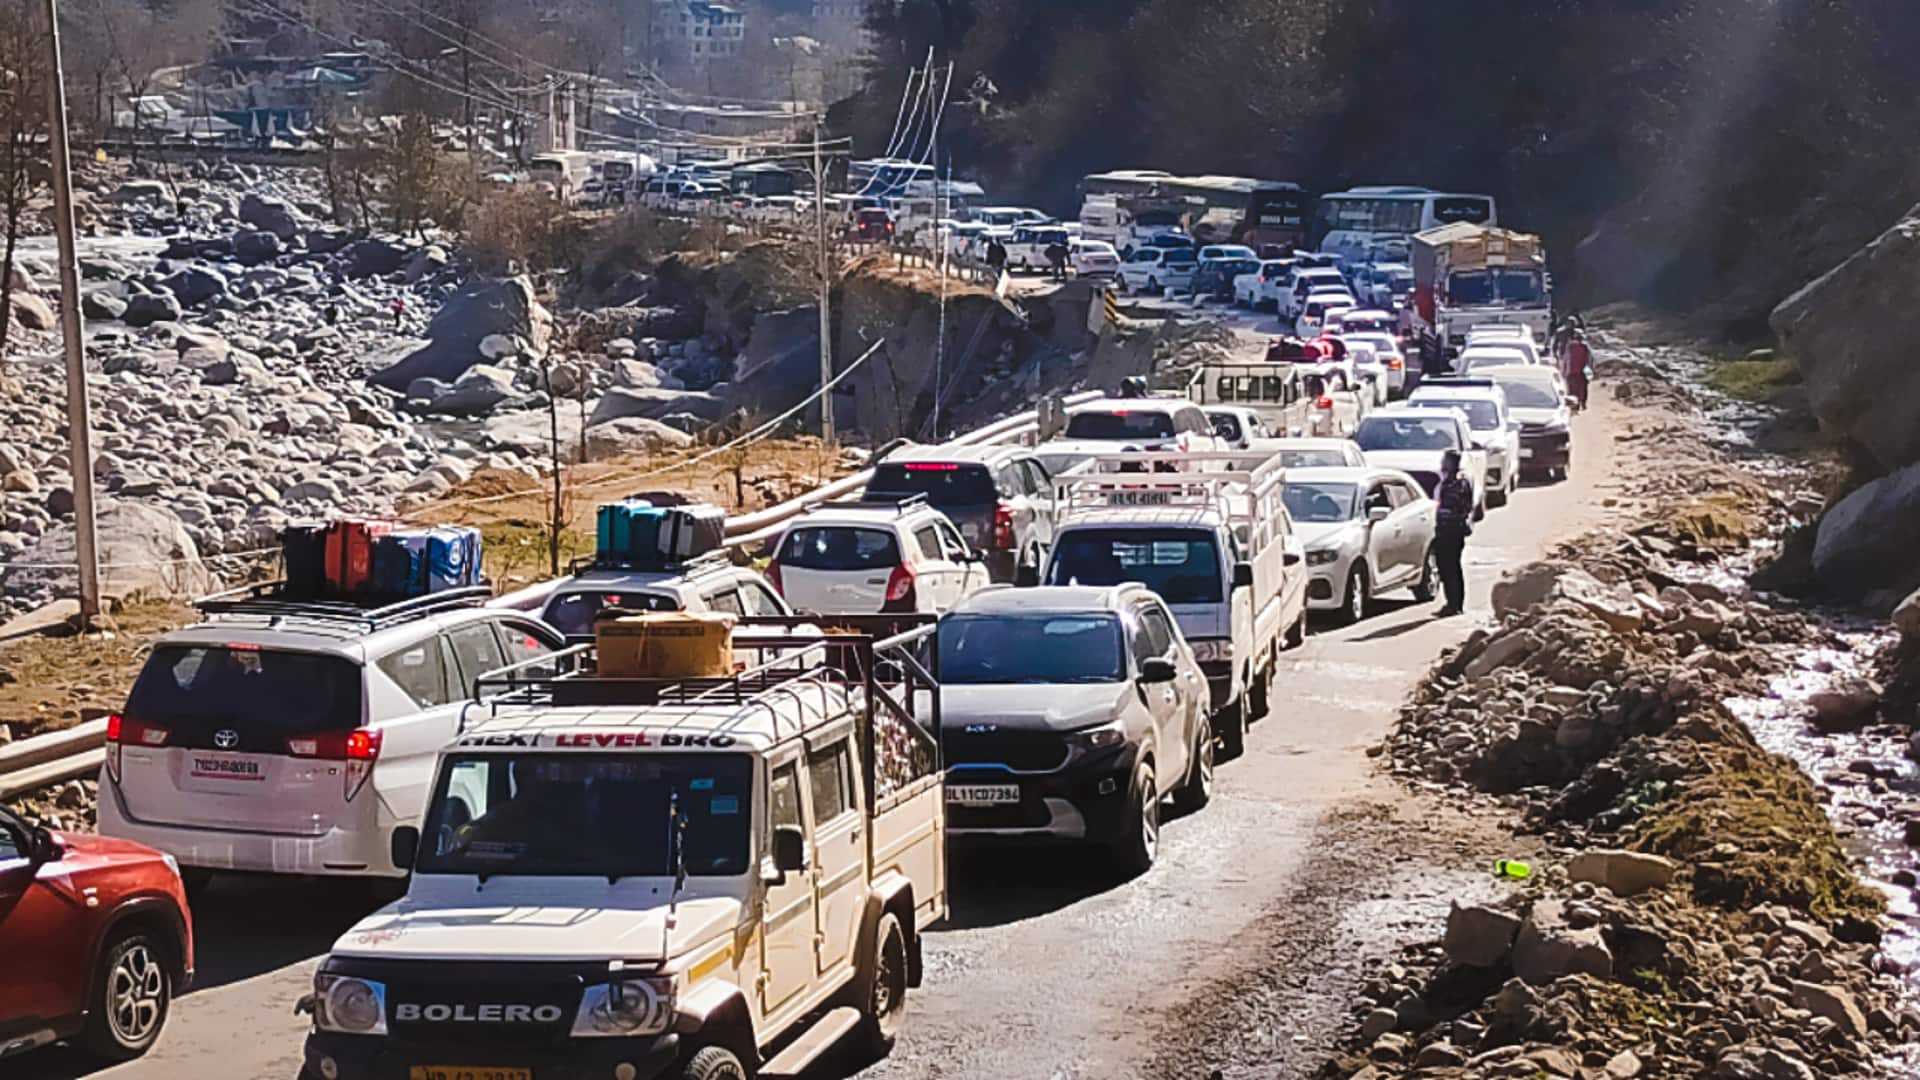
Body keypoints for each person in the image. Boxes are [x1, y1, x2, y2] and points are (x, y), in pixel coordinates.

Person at [1432, 449, 1474, 617]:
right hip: (1444, 529)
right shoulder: (1447, 481)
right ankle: (1452, 602)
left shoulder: (1458, 483)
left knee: (1451, 567)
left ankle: (1455, 604)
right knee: (1445, 566)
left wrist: (1444, 514)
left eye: (1445, 461)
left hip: (1452, 531)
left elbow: (1459, 507)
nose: (1443, 463)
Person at [1564, 330, 1593, 410]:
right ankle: (1581, 403)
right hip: (1580, 372)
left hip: (1575, 372)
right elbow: (1590, 360)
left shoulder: (1571, 346)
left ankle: (1576, 405)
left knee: (1574, 389)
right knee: (1582, 389)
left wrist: (1565, 371)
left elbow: (1566, 360)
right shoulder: (1582, 346)